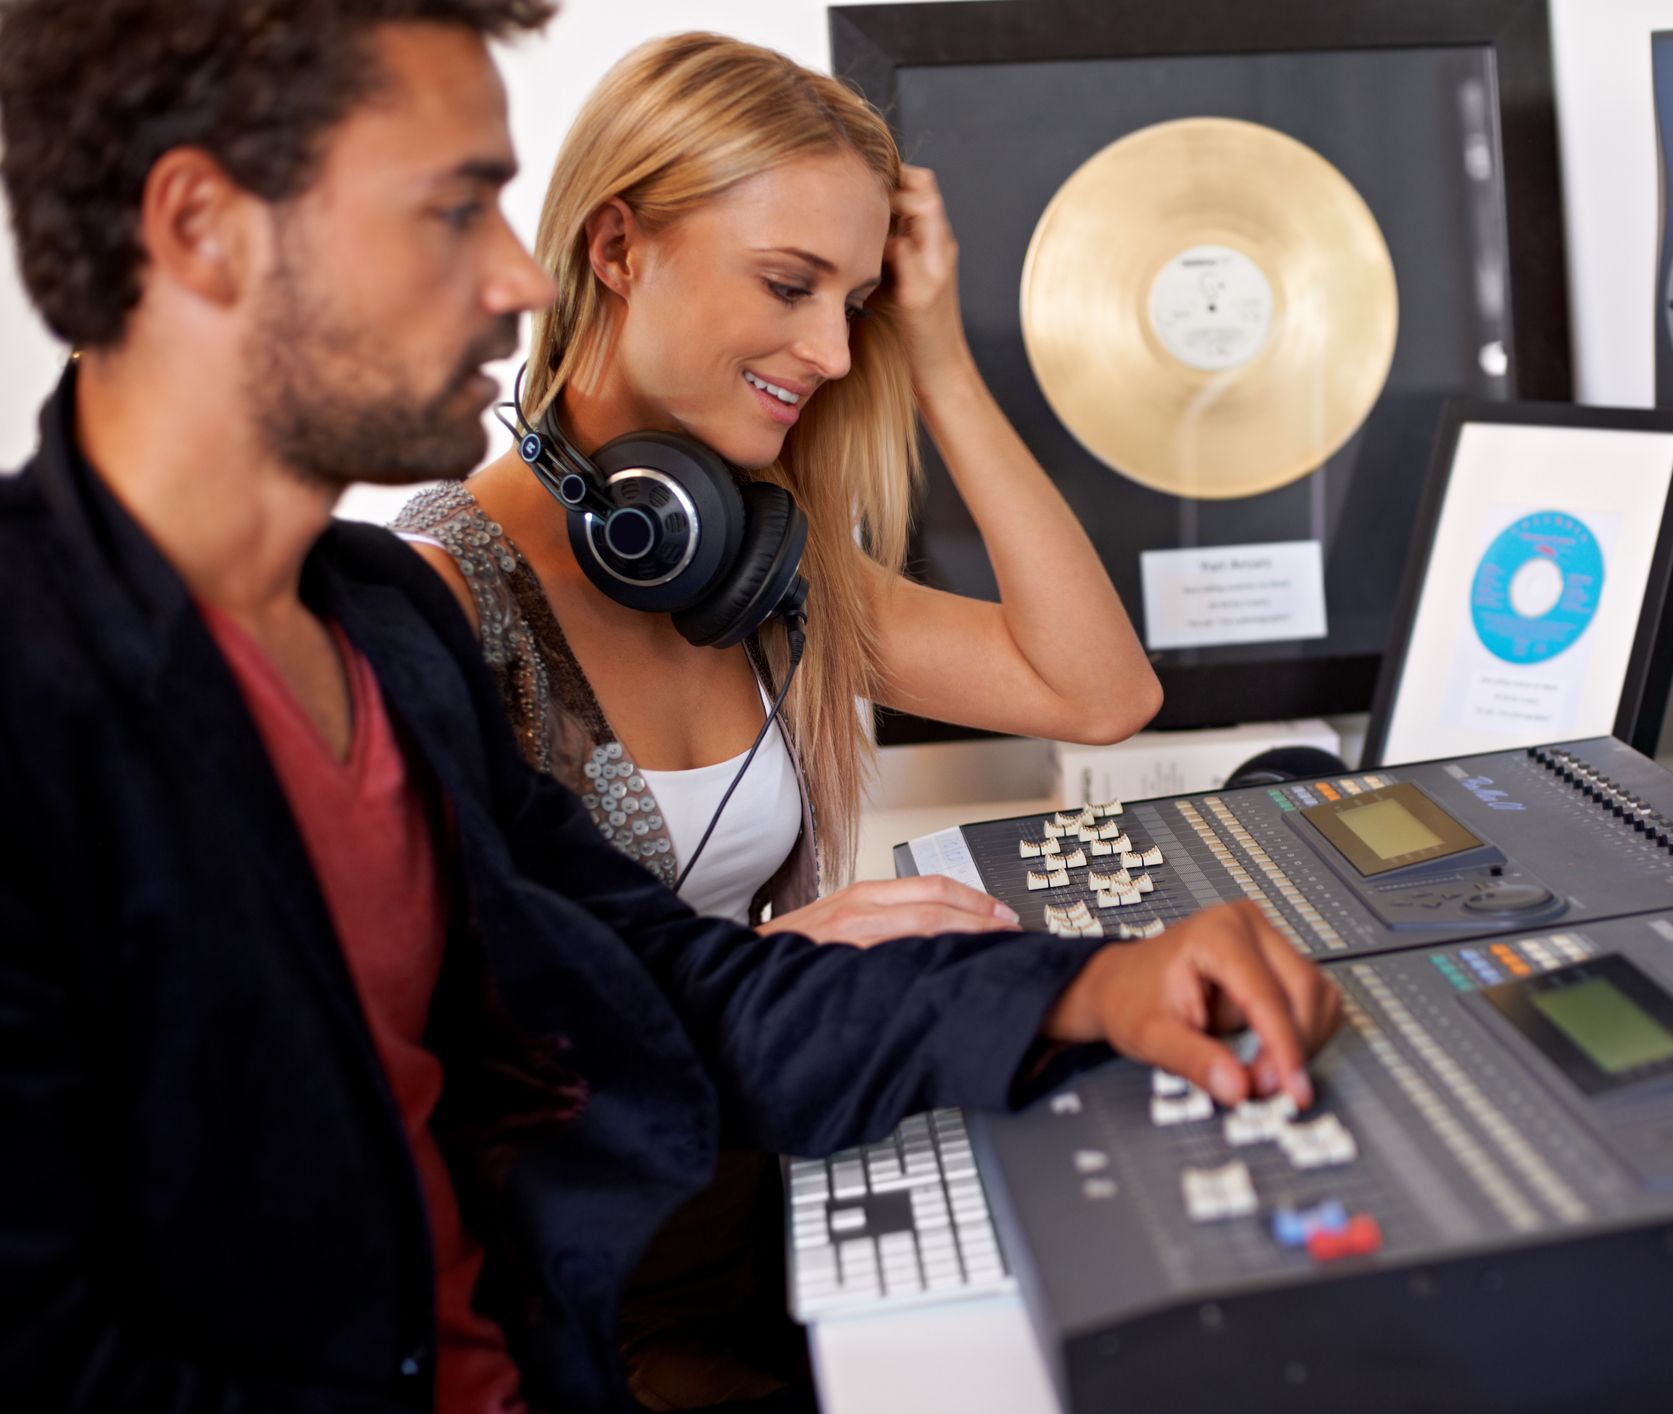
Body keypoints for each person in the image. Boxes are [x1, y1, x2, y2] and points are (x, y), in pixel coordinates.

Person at [0, 5, 1340, 1414]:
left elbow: (657, 990)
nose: (519, 279)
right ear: (203, 225)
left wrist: (1082, 986)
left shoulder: (376, 632)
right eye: (456, 211)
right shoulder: (55, 706)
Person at [396, 32, 1163, 945]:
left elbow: (1098, 696)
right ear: (616, 248)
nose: (835, 356)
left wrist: (941, 368)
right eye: (787, 284)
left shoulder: (751, 570)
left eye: (852, 305)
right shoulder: (442, 599)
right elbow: (432, 1028)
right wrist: (785, 959)